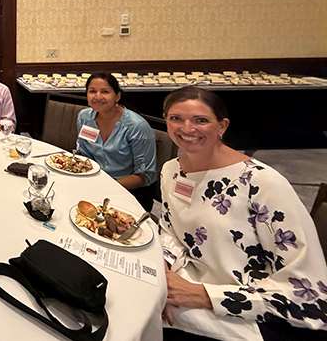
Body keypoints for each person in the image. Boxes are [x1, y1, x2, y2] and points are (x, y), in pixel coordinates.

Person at [159, 86, 326, 341]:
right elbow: (170, 230)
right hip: (186, 283)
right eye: (176, 118)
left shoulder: (261, 183)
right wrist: (166, 272)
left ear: (222, 126)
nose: (187, 128)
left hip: (252, 311)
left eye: (201, 120)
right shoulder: (171, 170)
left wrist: (202, 295)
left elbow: (306, 290)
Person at [76, 72, 157, 210]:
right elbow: (83, 155)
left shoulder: (136, 126)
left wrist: (107, 186)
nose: (97, 96)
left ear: (117, 96)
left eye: (105, 92)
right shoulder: (84, 117)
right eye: (92, 91)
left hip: (128, 192)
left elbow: (145, 176)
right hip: (92, 183)